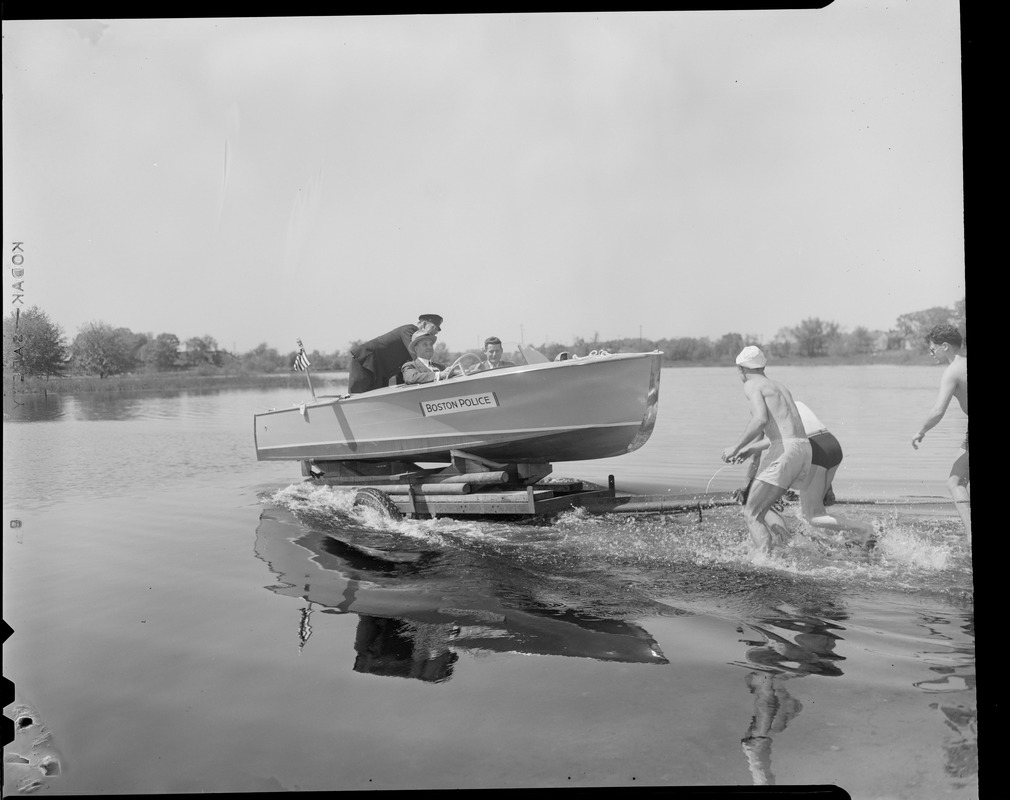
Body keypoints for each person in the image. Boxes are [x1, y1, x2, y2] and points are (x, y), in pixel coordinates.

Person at [735, 400, 877, 547]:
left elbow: (756, 456)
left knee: (813, 517)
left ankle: (865, 529)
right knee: (819, 513)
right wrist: (828, 488)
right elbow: (813, 437)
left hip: (812, 450)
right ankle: (832, 543)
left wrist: (747, 487)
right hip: (831, 445)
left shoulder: (761, 412)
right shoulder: (794, 403)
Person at [722, 346, 812, 557]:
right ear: (762, 366)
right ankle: (784, 550)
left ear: (741, 368)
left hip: (785, 450)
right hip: (804, 449)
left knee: (750, 513)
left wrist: (735, 447)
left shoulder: (752, 385)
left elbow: (760, 419)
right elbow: (783, 430)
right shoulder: (780, 386)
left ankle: (764, 562)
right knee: (762, 510)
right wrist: (749, 449)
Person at [912, 323, 969, 539]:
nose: (930, 353)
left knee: (955, 482)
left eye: (932, 348)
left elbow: (937, 411)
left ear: (945, 346)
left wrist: (921, 431)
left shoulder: (952, 371)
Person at [348, 314, 443, 393]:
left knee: (380, 400)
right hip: (365, 363)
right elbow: (419, 362)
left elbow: (406, 369)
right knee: (358, 398)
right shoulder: (410, 330)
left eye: (438, 330)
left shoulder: (414, 344)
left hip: (381, 372)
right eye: (434, 327)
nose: (436, 332)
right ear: (424, 324)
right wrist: (438, 375)